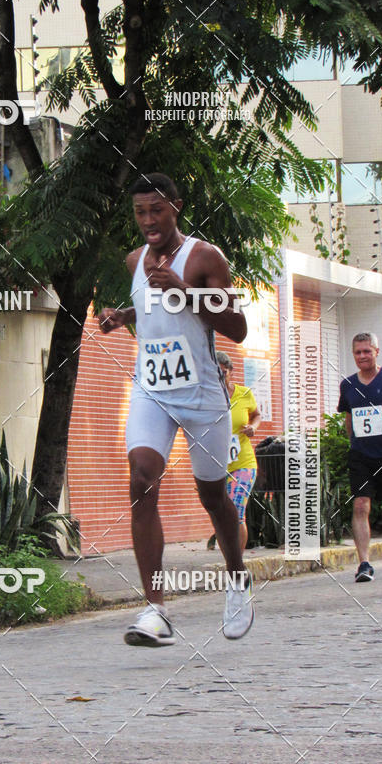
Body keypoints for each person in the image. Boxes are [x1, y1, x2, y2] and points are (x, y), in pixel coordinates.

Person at [98, 172, 254, 646]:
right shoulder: (134, 261)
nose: (149, 220)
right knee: (141, 477)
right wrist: (120, 317)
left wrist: (185, 289)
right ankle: (156, 610)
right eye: (141, 212)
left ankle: (237, 577)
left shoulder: (204, 257)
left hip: (204, 395)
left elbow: (238, 327)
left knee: (213, 498)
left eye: (157, 211)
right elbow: (151, 313)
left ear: (176, 208)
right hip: (153, 390)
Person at [337, 332, 382, 582]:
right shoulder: (348, 385)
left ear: (376, 351)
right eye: (358, 352)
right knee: (361, 505)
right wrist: (355, 444)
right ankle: (364, 563)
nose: (362, 356)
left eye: (367, 351)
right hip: (361, 455)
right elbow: (349, 421)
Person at [216, 351, 261, 551]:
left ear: (231, 372)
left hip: (243, 462)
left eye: (223, 372)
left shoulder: (244, 394)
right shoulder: (207, 396)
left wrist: (253, 427)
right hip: (216, 465)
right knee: (221, 515)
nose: (219, 377)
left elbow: (256, 415)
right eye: (214, 373)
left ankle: (237, 562)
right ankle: (230, 559)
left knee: (235, 511)